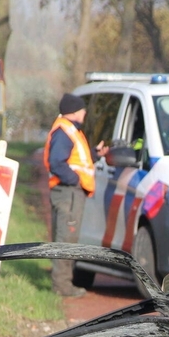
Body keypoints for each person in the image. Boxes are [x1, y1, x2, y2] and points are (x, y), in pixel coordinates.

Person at [43, 92, 108, 296]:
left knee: (67, 236)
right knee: (66, 239)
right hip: (68, 193)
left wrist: (95, 154)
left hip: (69, 192)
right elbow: (57, 162)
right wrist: (76, 180)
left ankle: (62, 283)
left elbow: (77, 160)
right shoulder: (65, 132)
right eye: (82, 109)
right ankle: (62, 286)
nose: (85, 112)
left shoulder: (69, 130)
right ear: (75, 111)